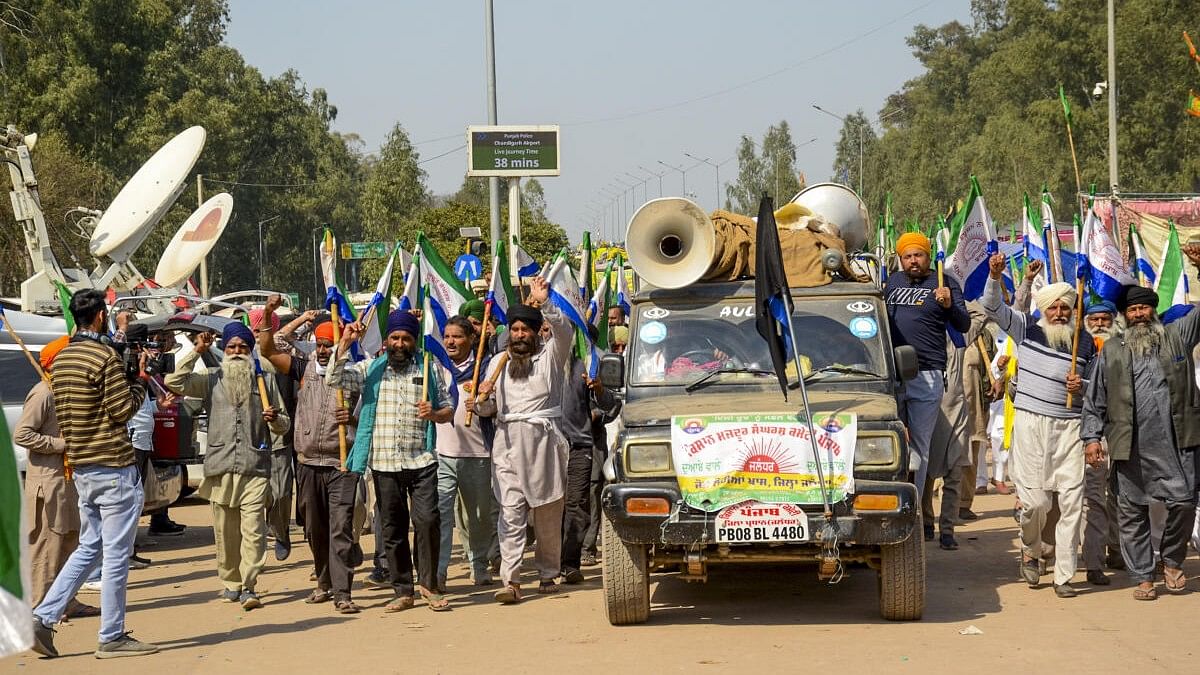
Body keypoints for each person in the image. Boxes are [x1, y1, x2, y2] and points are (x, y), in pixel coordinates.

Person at [31, 289, 157, 659]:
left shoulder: (64, 358)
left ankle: (44, 615)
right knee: (116, 554)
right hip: (114, 467)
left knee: (91, 547)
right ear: (100, 316)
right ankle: (112, 635)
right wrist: (140, 382)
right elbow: (122, 411)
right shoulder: (104, 357)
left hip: (84, 467)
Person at [1082, 260, 1200, 600]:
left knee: (1183, 503)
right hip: (1130, 446)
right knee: (1132, 511)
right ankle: (1143, 576)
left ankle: (1173, 562)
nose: (1139, 314)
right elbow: (1095, 399)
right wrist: (1091, 437)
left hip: (1177, 443)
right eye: (1132, 309)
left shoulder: (1177, 337)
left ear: (1153, 310)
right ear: (1125, 315)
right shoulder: (1113, 351)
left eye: (1144, 307)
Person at [981, 252, 1095, 598]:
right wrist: (994, 276)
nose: (1059, 313)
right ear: (1043, 309)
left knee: (1072, 503)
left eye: (1065, 308)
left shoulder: (1085, 343)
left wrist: (1083, 387)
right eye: (1054, 307)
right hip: (1031, 426)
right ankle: (1031, 550)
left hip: (1070, 429)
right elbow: (992, 309)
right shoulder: (1026, 329)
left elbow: (1097, 390)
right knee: (1035, 504)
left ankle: (1063, 576)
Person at [327, 310, 453, 612]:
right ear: (386, 341)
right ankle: (402, 590)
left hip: (421, 461)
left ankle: (429, 586)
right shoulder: (371, 369)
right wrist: (345, 342)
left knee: (427, 522)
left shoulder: (428, 368)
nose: (400, 343)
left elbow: (447, 409)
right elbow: (334, 378)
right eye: (395, 338)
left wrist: (433, 414)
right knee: (392, 528)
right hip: (384, 463)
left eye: (406, 338)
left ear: (414, 341)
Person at [166, 321, 290, 611]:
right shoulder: (211, 378)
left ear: (250, 352)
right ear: (225, 350)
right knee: (225, 531)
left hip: (255, 466)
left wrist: (276, 419)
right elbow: (174, 382)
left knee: (254, 531)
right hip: (221, 466)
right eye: (232, 347)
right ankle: (231, 582)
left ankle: (249, 585)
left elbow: (285, 423)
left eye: (242, 347)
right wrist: (197, 350)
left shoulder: (266, 381)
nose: (236, 352)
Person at [472, 277, 574, 603]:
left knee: (546, 514)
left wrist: (545, 304)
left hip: (544, 443)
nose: (518, 336)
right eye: (514, 330)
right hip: (507, 444)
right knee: (511, 513)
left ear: (534, 333)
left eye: (524, 331)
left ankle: (547, 573)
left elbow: (565, 332)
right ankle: (511, 580)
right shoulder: (496, 363)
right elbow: (488, 409)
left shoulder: (551, 359)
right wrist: (479, 401)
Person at [259, 311, 362, 614]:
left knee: (340, 527)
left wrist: (352, 418)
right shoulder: (303, 369)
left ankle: (343, 593)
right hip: (307, 462)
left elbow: (367, 412)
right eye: (320, 344)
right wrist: (267, 313)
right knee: (315, 529)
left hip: (340, 462)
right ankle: (324, 582)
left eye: (329, 344)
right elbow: (268, 349)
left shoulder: (352, 375)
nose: (323, 350)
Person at [884, 232, 971, 498]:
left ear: (928, 257)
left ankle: (915, 510)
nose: (913, 261)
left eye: (918, 255)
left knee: (920, 446)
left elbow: (963, 324)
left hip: (927, 374)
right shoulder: (891, 282)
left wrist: (948, 306)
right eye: (908, 256)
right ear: (901, 259)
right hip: (891, 374)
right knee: (889, 444)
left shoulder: (944, 282)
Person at [16, 336, 97, 619]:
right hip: (47, 483)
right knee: (46, 548)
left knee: (70, 543)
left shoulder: (64, 391)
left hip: (69, 481)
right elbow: (22, 434)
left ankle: (66, 601)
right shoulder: (43, 393)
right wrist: (60, 444)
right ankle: (40, 608)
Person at [433, 316, 499, 588]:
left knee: (478, 517)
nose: (450, 341)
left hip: (477, 455)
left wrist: (481, 404)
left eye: (457, 336)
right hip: (442, 455)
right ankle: (438, 571)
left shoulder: (484, 368)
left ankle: (479, 564)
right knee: (441, 515)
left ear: (471, 339)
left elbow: (494, 407)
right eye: (447, 336)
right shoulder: (437, 368)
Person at [560, 326, 621, 583]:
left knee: (578, 503)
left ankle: (571, 562)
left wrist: (597, 390)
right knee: (549, 506)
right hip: (547, 446)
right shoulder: (539, 363)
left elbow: (611, 405)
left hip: (582, 444)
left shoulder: (588, 364)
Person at [923, 305, 987, 549]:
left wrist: (955, 298)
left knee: (954, 475)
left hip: (958, 415)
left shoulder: (959, 336)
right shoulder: (922, 338)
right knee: (926, 475)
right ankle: (927, 522)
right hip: (929, 414)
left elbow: (981, 314)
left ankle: (947, 530)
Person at [1080, 299, 1122, 586]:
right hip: (1092, 433)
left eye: (1104, 319)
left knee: (1122, 496)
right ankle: (1094, 561)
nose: (1099, 324)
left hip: (1122, 432)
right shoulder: (1077, 349)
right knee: (1094, 498)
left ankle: (1118, 549)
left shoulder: (1125, 348)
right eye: (1093, 319)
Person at [250, 306, 296, 561]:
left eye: (262, 330)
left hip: (280, 434)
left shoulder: (283, 357)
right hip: (251, 440)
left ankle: (281, 531)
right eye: (255, 330)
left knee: (281, 492)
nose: (258, 335)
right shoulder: (241, 357)